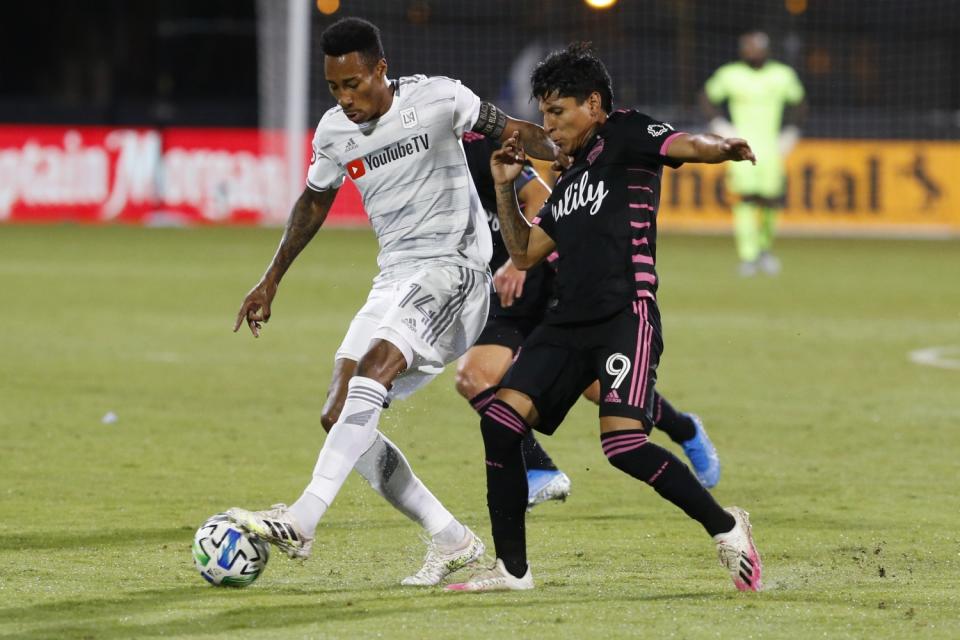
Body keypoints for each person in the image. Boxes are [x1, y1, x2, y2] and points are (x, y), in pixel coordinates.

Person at [226, 17, 559, 587]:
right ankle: (452, 536)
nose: (345, 98)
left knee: (376, 369)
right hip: (395, 278)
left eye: (354, 83)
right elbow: (312, 201)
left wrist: (572, 149)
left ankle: (303, 519)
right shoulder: (333, 133)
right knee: (337, 415)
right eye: (335, 87)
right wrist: (270, 279)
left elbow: (514, 129)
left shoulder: (439, 98)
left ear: (381, 68)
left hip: (455, 271)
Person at [446, 43, 762, 593]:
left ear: (593, 104)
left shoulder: (627, 133)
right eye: (544, 113)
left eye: (558, 112)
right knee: (499, 422)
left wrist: (723, 148)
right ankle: (513, 572)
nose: (549, 125)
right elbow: (523, 253)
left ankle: (726, 525)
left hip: (625, 315)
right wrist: (502, 186)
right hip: (567, 323)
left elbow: (685, 142)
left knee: (623, 448)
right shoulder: (567, 182)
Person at [457, 133, 721, 497]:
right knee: (473, 376)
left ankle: (684, 429)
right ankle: (539, 469)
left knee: (598, 387)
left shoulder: (477, 146)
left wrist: (520, 263)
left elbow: (538, 197)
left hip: (544, 278)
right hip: (503, 294)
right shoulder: (412, 165)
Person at [701, 31, 806, 276]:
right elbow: (706, 97)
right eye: (748, 48)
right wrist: (719, 125)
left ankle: (765, 250)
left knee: (771, 200)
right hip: (740, 146)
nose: (752, 52)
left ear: (766, 50)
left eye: (756, 48)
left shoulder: (782, 75)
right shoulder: (731, 75)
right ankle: (748, 255)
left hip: (771, 148)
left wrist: (791, 131)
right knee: (745, 199)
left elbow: (800, 103)